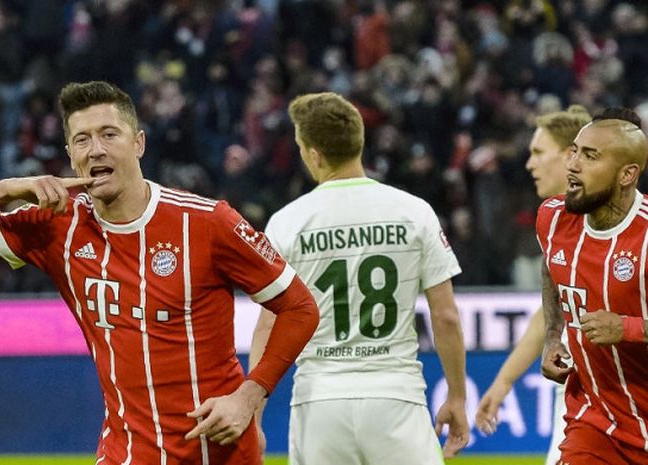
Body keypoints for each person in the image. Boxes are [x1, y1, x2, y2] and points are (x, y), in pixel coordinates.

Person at [0, 81, 320, 465]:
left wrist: (249, 397)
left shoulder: (207, 223)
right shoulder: (55, 227)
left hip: (217, 452)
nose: (96, 149)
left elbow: (300, 307)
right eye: (82, 140)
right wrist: (2, 191)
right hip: (126, 453)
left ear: (139, 143)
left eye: (109, 134)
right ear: (70, 155)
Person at [249, 92, 469, 465]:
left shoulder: (288, 221)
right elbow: (445, 316)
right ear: (359, 143)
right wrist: (457, 397)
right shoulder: (414, 212)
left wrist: (252, 413)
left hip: (320, 401)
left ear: (313, 153)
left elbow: (269, 324)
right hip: (396, 395)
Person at [475, 105, 591, 464]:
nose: (530, 164)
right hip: (574, 389)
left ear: (572, 155)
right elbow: (550, 312)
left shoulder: (615, 223)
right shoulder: (555, 221)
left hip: (608, 392)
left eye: (539, 152)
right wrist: (504, 382)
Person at [539, 107, 648, 464]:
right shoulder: (552, 219)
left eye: (590, 156)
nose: (572, 164)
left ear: (627, 174)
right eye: (574, 151)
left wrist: (627, 327)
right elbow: (549, 264)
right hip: (597, 423)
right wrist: (554, 335)